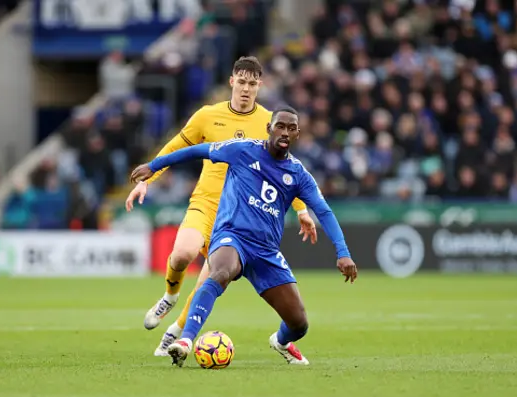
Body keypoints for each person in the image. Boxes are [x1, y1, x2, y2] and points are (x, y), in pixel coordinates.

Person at [130, 107, 358, 367]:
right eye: (280, 126)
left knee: (299, 323)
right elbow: (196, 151)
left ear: (297, 134)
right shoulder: (242, 149)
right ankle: (185, 341)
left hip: (266, 251)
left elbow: (324, 212)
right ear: (269, 129)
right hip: (232, 235)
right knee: (221, 271)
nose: (284, 132)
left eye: (291, 128)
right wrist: (154, 166)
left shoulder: (298, 174)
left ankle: (281, 341)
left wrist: (343, 253)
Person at [125, 57, 318, 356]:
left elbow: (281, 173)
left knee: (211, 279)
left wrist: (301, 209)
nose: (246, 89)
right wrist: (148, 178)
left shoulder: (269, 121)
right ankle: (169, 294)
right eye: (241, 82)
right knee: (181, 255)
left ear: (259, 86)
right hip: (204, 202)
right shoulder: (207, 116)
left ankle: (176, 332)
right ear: (231, 82)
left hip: (237, 214)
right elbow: (177, 147)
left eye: (252, 84)